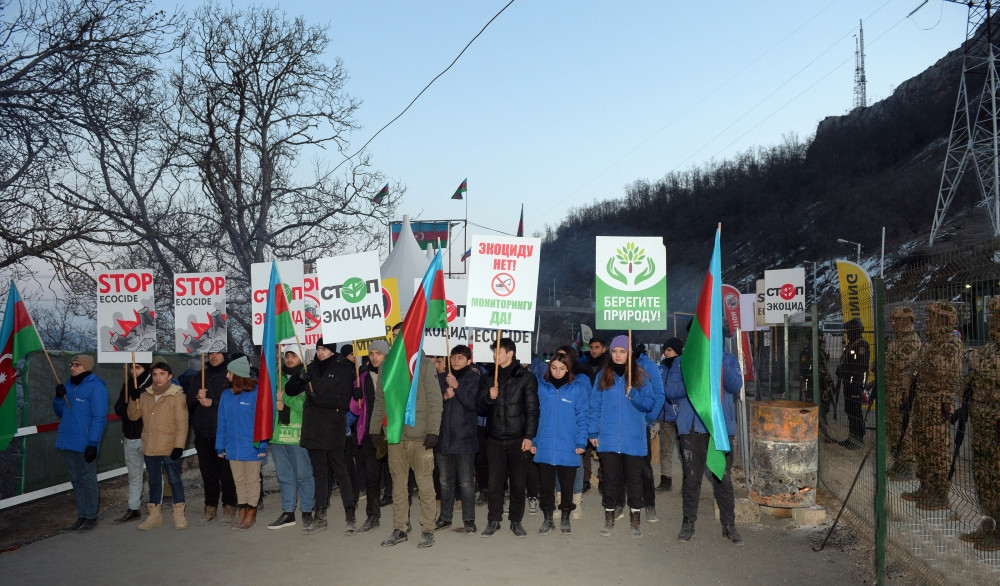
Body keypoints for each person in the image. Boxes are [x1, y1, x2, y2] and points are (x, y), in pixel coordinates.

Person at [666, 328, 744, 546]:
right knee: (692, 479)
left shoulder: (728, 359)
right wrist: (695, 381)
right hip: (692, 428)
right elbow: (671, 392)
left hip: (719, 428)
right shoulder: (682, 362)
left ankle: (729, 525)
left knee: (723, 478)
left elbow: (735, 385)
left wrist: (716, 361)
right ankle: (688, 523)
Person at [370, 347, 443, 548]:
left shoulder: (425, 365)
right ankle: (400, 528)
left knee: (425, 486)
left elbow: (436, 401)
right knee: (399, 487)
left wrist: (433, 431)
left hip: (421, 438)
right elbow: (380, 400)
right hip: (395, 437)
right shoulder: (387, 366)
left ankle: (427, 529)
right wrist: (374, 429)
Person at [588, 335, 656, 538]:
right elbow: (595, 405)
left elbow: (649, 404)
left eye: (622, 351)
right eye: (615, 351)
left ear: (630, 353)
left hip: (633, 438)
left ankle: (635, 520)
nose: (618, 356)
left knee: (634, 481)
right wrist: (593, 432)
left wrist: (634, 394)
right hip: (608, 438)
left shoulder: (640, 376)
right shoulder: (603, 376)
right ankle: (609, 518)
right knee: (610, 480)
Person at [901, 302, 964, 510]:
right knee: (921, 445)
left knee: (937, 449)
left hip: (938, 403)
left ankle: (940, 494)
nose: (926, 319)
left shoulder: (951, 343)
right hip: (922, 399)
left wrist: (918, 369)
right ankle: (925, 486)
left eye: (931, 315)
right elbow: (914, 366)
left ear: (943, 318)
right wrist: (915, 371)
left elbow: (940, 370)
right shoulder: (930, 343)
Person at [476, 337, 539, 538]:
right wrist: (489, 397)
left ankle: (516, 521)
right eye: (494, 351)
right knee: (495, 483)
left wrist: (529, 436)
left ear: (510, 354)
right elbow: (479, 408)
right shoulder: (487, 378)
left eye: (499, 351)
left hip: (518, 438)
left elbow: (532, 410)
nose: (495, 355)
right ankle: (493, 520)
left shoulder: (526, 377)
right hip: (494, 439)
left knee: (518, 484)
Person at [300, 337, 361, 534]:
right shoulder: (310, 369)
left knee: (341, 472)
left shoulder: (343, 370)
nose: (319, 352)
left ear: (332, 351)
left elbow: (343, 401)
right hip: (313, 428)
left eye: (324, 349)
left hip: (333, 428)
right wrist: (299, 379)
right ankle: (320, 514)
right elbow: (291, 390)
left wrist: (321, 399)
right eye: (318, 349)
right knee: (319, 473)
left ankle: (350, 514)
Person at [128, 361, 189, 531]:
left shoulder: (177, 396)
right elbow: (133, 416)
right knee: (154, 481)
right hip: (150, 446)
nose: (158, 378)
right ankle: (154, 515)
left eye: (162, 374)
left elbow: (182, 423)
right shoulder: (145, 395)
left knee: (175, 479)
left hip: (170, 447)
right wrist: (133, 399)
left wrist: (179, 446)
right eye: (155, 374)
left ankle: (179, 514)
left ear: (169, 376)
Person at [532, 352, 588, 534]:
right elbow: (533, 416)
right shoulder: (541, 388)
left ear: (568, 369)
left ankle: (565, 516)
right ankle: (548, 518)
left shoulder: (577, 389)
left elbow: (582, 417)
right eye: (554, 368)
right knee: (546, 486)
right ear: (549, 367)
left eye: (562, 368)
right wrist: (533, 440)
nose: (557, 372)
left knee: (567, 485)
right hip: (545, 444)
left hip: (569, 444)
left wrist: (581, 441)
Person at [53, 354, 108, 533]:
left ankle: (91, 516)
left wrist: (93, 443)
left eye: (77, 365)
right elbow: (60, 412)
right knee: (76, 481)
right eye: (72, 364)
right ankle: (81, 515)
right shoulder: (69, 385)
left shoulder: (96, 387)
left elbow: (99, 417)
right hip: (67, 440)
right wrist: (58, 397)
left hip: (84, 442)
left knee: (88, 479)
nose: (72, 367)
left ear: (86, 367)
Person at [184, 351, 238, 525]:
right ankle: (210, 506)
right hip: (202, 432)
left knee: (226, 472)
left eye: (217, 353)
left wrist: (212, 402)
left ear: (224, 355)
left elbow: (235, 401)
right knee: (208, 473)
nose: (214, 357)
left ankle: (229, 505)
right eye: (211, 353)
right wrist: (196, 397)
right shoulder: (199, 376)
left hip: (223, 432)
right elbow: (188, 404)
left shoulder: (230, 374)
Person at [964, 296, 1000, 549]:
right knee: (984, 474)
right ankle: (990, 524)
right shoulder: (990, 346)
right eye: (993, 315)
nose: (993, 320)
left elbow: (990, 371)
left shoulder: (986, 351)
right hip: (983, 419)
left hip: (997, 420)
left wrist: (974, 358)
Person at [216, 356, 267, 530]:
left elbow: (263, 421)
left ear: (237, 374)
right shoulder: (226, 395)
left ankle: (251, 513)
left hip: (252, 446)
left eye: (230, 372)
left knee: (252, 480)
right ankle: (242, 511)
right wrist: (220, 445)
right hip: (232, 447)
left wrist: (262, 444)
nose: (227, 376)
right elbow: (222, 422)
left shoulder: (257, 393)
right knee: (238, 481)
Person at [434, 344, 481, 534]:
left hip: (464, 439)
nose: (456, 361)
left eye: (460, 358)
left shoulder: (474, 377)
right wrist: (444, 395)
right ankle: (445, 517)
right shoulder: (440, 378)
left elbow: (472, 404)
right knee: (444, 481)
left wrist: (457, 387)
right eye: (453, 357)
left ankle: (469, 519)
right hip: (443, 438)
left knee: (466, 482)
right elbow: (433, 403)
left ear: (469, 360)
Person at [267, 347, 315, 530]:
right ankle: (288, 512)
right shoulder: (277, 378)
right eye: (286, 356)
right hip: (278, 435)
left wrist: (285, 399)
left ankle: (307, 511)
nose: (289, 359)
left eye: (293, 355)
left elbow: (306, 406)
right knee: (284, 476)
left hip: (298, 435)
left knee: (303, 475)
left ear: (301, 357)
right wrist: (275, 404)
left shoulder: (306, 378)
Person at [354, 339, 390, 535]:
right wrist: (356, 395)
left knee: (398, 476)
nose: (374, 357)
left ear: (386, 355)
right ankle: (372, 516)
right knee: (371, 476)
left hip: (392, 431)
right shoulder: (363, 377)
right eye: (371, 354)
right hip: (371, 433)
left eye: (378, 353)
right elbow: (354, 409)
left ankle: (404, 518)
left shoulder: (394, 374)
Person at [112, 361, 151, 524]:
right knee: (134, 476)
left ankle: (156, 506)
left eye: (138, 367)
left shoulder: (151, 384)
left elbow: (148, 411)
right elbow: (118, 408)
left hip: (147, 437)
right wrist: (129, 406)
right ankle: (133, 508)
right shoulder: (127, 384)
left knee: (154, 474)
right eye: (132, 367)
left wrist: (137, 403)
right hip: (129, 436)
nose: (133, 371)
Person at [886, 307, 921, 481]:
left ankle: (907, 467)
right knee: (893, 430)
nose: (893, 324)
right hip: (892, 392)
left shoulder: (912, 342)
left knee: (904, 430)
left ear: (907, 321)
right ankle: (898, 462)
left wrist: (886, 364)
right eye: (892, 320)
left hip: (903, 394)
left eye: (897, 320)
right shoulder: (897, 342)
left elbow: (898, 364)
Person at [578, 337, 607, 493]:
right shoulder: (583, 367)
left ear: (604, 349)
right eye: (591, 347)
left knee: (601, 447)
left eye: (597, 347)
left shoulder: (608, 367)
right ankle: (585, 479)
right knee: (586, 448)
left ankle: (603, 479)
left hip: (603, 411)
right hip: (586, 411)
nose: (594, 350)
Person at [836, 318, 870, 449]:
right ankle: (852, 437)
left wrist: (844, 372)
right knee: (849, 410)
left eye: (849, 331)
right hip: (848, 384)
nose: (847, 334)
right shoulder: (852, 345)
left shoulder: (861, 345)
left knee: (855, 411)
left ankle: (858, 439)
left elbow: (861, 366)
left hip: (855, 384)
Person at [655, 338, 683, 493]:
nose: (666, 353)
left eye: (670, 350)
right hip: (665, 417)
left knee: (684, 451)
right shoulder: (660, 369)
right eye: (665, 350)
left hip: (681, 416)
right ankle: (666, 480)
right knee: (665, 450)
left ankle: (688, 481)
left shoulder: (684, 366)